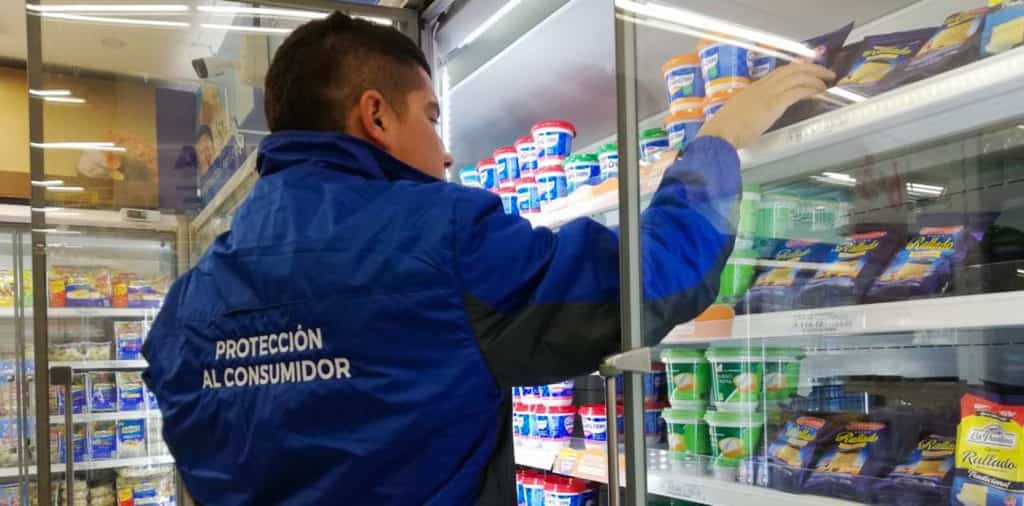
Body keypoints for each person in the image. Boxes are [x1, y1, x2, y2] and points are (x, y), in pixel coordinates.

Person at [141, 12, 834, 506]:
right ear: (376, 116)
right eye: (431, 116)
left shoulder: (188, 308)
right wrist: (717, 142)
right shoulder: (439, 238)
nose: (445, 153)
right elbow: (645, 281)